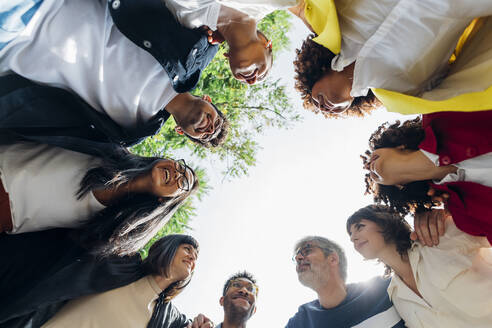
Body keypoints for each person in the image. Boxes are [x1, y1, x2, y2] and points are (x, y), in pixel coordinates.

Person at [0, 0, 229, 148]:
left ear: (181, 131)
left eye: (206, 136)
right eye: (215, 121)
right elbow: (222, 14)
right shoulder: (197, 53)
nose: (209, 128)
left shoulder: (128, 133)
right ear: (208, 100)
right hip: (49, 6)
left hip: (12, 52)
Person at [291, 0, 492, 117]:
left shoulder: (332, 20)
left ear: (314, 74)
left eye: (311, 95)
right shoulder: (406, 91)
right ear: (352, 105)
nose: (321, 107)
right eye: (329, 113)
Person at [0, 140, 198, 256]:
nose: (177, 173)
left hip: (9, 216)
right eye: (180, 166)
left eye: (183, 183)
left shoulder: (115, 226)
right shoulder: (112, 149)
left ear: (166, 201)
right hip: (5, 166)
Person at [0, 233, 213, 328]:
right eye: (188, 249)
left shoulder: (167, 319)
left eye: (196, 257)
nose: (193, 257)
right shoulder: (123, 264)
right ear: (167, 247)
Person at [347, 204, 492, 328]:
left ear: (384, 221)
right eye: (350, 235)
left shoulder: (440, 238)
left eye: (359, 227)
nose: (353, 238)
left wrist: (447, 212)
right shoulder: (396, 297)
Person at [362, 111, 492, 243]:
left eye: (370, 158)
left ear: (399, 144)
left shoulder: (440, 114)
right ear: (399, 186)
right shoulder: (464, 217)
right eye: (370, 173)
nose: (366, 166)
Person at [286, 236, 405, 327]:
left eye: (307, 251)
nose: (298, 258)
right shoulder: (301, 322)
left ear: (333, 259)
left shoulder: (385, 288)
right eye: (296, 257)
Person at [162, 0, 275, 85]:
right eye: (263, 75)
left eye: (245, 82)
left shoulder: (189, 21)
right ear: (267, 44)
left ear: (227, 57)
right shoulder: (264, 4)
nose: (252, 81)